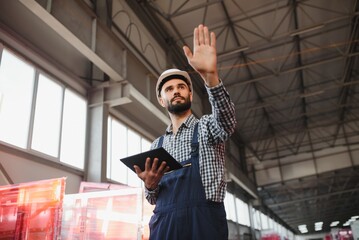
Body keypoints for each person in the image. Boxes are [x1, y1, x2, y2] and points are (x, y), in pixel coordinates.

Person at [134, 24, 236, 240]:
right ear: (162, 100)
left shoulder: (208, 127)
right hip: (166, 226)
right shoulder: (156, 146)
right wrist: (150, 185)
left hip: (204, 223)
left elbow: (227, 120)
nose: (176, 91)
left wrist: (211, 76)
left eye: (181, 87)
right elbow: (152, 199)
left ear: (190, 95)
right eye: (169, 89)